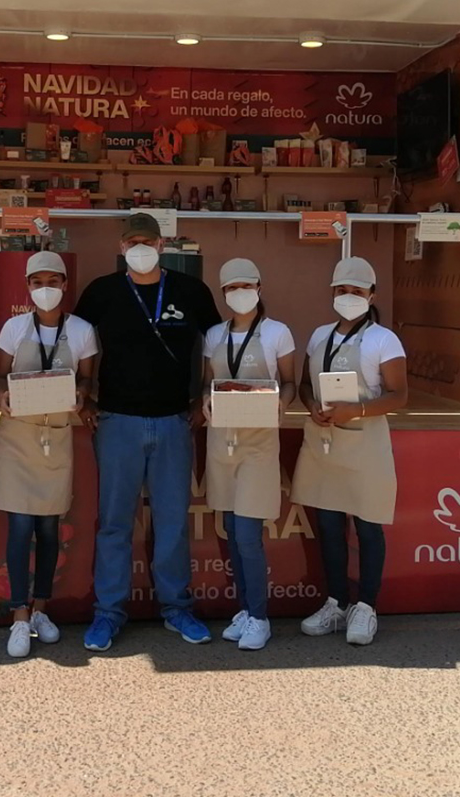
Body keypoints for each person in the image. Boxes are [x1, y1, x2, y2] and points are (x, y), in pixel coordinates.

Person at [72, 212, 222, 651]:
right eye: (132, 240)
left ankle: (178, 608)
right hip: (117, 422)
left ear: (162, 245)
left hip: (175, 422)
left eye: (148, 240)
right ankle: (108, 614)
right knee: (115, 525)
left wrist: (203, 400)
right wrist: (84, 398)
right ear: (121, 247)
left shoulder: (190, 290)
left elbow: (218, 348)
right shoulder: (101, 292)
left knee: (173, 524)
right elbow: (76, 346)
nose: (140, 247)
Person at [292, 256, 408, 646]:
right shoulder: (319, 335)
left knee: (367, 525)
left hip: (364, 442)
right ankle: (336, 603)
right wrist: (312, 407)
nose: (348, 297)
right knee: (328, 526)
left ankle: (366, 607)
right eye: (342, 290)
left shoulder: (383, 339)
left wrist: (355, 409)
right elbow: (304, 385)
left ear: (371, 295)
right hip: (325, 442)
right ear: (332, 293)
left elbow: (399, 394)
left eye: (357, 292)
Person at [0, 251, 98, 658]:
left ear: (66, 285)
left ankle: (40, 609)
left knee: (50, 529)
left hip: (57, 436)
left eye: (54, 281)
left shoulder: (83, 330)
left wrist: (82, 395)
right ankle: (19, 616)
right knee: (21, 527)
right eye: (38, 283)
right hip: (19, 436)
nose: (46, 289)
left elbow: (89, 378)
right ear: (28, 287)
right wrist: (1, 393)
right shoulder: (14, 328)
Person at [201, 258, 296, 652]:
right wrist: (206, 403)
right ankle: (244, 609)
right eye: (231, 287)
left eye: (246, 285)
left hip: (259, 442)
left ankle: (259, 616)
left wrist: (281, 406)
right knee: (230, 530)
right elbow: (209, 383)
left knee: (248, 535)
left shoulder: (278, 333)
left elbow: (290, 382)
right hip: (223, 442)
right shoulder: (213, 334)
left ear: (258, 287)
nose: (239, 293)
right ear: (223, 294)